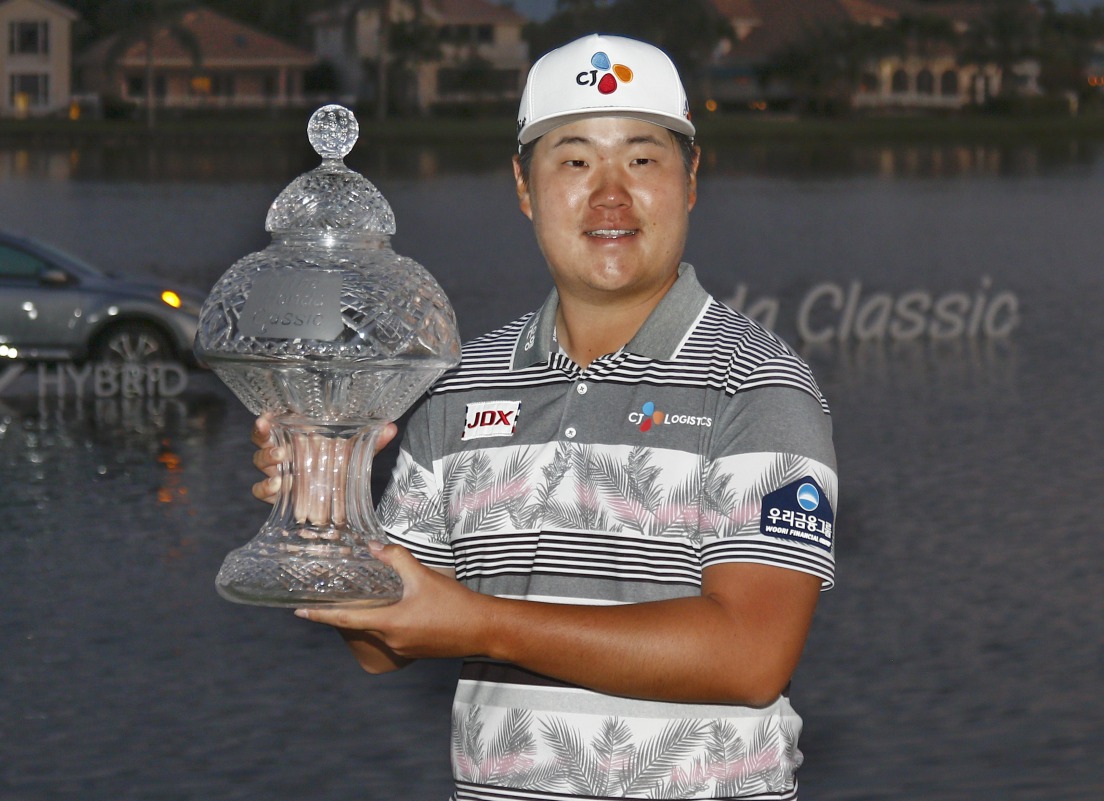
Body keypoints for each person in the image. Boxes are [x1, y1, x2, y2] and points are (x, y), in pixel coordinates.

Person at [252, 33, 837, 801]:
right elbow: (382, 643)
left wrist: (481, 624)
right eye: (572, 160)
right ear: (524, 188)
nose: (609, 194)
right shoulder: (459, 386)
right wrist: (328, 509)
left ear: (691, 179)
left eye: (642, 158)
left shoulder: (759, 385)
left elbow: (749, 656)